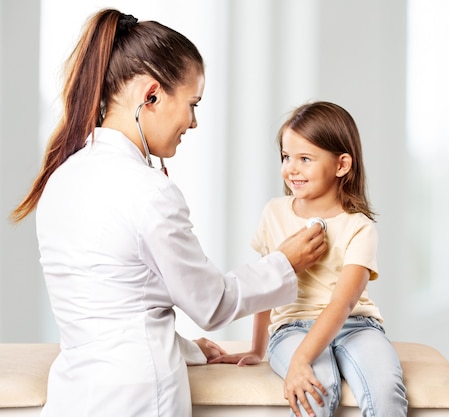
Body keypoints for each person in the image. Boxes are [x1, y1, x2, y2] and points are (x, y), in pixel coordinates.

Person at [10, 9, 326, 417]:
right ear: (152, 95)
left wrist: (186, 348)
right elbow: (212, 304)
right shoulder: (149, 191)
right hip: (141, 397)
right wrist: (285, 263)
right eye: (192, 103)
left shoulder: (62, 178)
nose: (193, 122)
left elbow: (111, 303)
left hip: (75, 395)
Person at [211, 101, 408, 416]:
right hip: (292, 328)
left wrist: (302, 358)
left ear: (342, 165)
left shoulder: (360, 227)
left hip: (356, 325)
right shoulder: (274, 212)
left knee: (386, 391)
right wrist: (258, 348)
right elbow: (266, 283)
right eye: (287, 157)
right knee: (318, 387)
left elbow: (342, 304)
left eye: (305, 158)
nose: (291, 168)